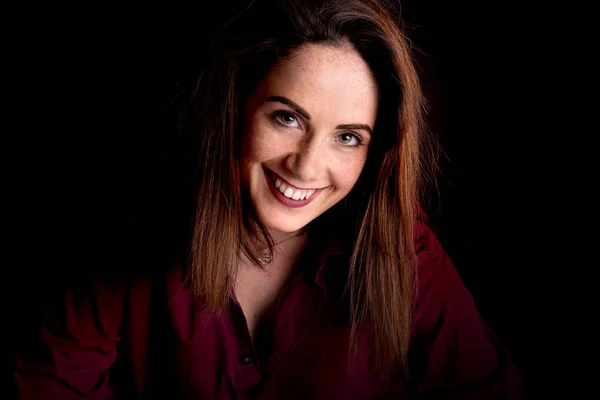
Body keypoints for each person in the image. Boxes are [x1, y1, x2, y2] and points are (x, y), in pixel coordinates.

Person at [15, 0, 524, 398]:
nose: (305, 166)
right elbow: (52, 385)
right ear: (237, 108)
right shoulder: (138, 231)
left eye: (348, 137)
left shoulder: (403, 249)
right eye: (287, 118)